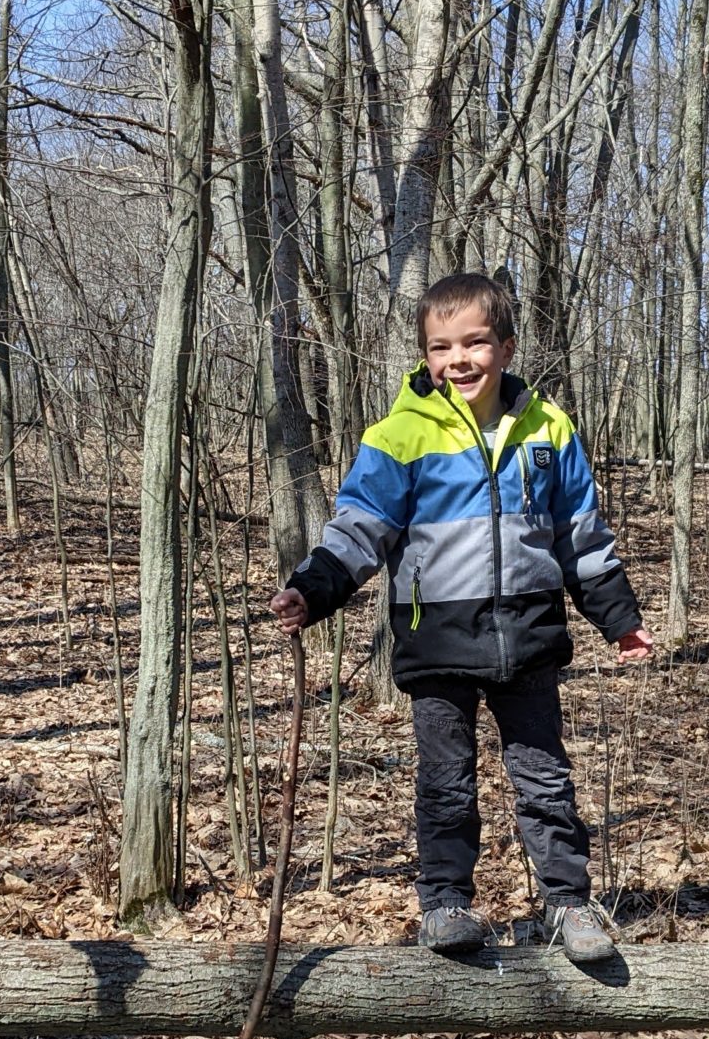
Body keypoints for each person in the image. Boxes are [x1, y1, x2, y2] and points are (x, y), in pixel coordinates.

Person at [268, 272, 652, 963]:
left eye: (474, 343)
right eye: (441, 347)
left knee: (544, 778)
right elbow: (359, 530)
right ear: (425, 355)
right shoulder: (401, 435)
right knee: (446, 782)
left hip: (529, 637)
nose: (459, 360)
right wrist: (312, 591)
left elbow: (581, 535)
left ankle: (567, 903)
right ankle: (445, 903)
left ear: (506, 346)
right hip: (437, 641)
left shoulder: (549, 428)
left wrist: (618, 617)